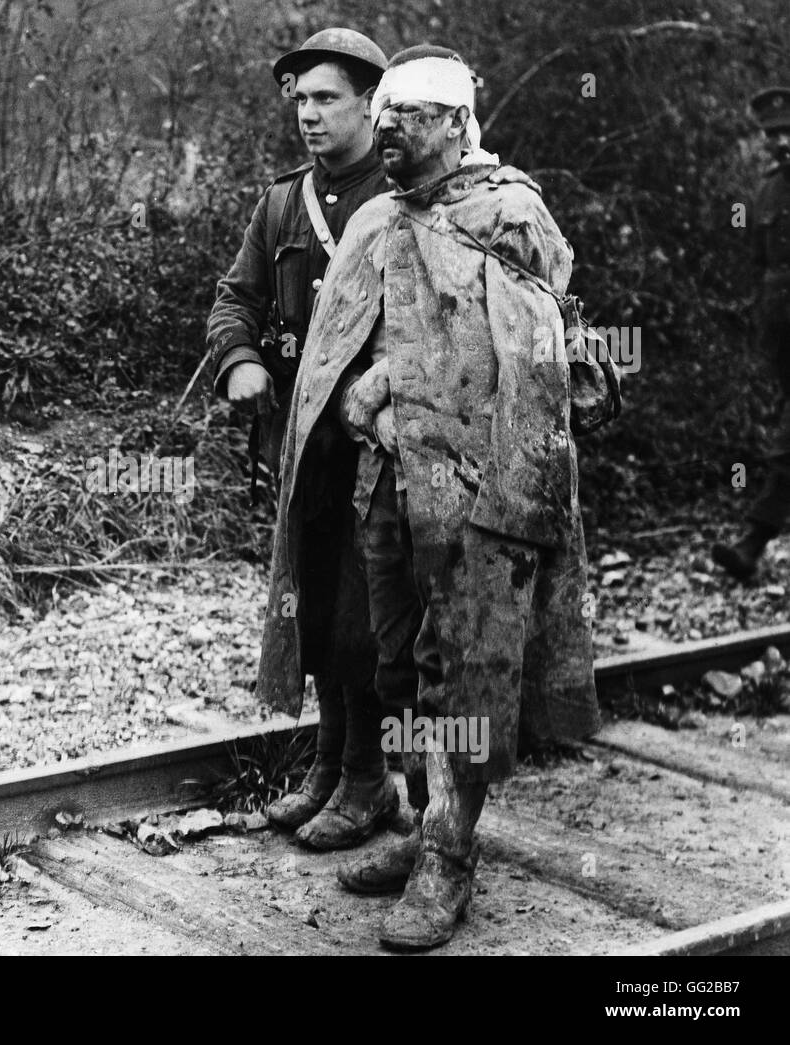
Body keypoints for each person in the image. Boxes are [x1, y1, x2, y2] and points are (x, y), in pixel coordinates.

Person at [286, 44, 601, 950]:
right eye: (381, 116)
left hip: (481, 492)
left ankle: (451, 857)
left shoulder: (511, 216)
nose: (385, 130)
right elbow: (337, 347)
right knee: (398, 665)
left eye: (409, 117)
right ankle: (424, 822)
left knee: (471, 672)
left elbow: (523, 357)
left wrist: (397, 378)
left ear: (459, 124)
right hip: (389, 484)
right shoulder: (377, 219)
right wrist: (359, 398)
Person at [206, 29, 407, 850]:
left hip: (377, 445)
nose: (309, 115)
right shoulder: (283, 202)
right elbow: (234, 297)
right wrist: (240, 360)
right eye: (300, 101)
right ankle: (329, 764)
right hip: (302, 447)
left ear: (369, 103)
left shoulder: (402, 199)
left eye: (326, 99)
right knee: (315, 608)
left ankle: (371, 781)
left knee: (369, 620)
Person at [713, 86, 790, 580]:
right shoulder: (767, 189)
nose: (779, 141)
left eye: (786, 130)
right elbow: (763, 264)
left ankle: (753, 541)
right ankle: (752, 542)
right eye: (771, 134)